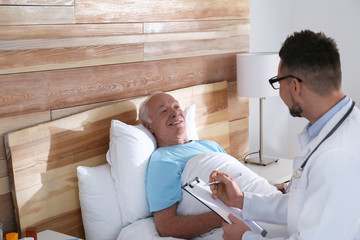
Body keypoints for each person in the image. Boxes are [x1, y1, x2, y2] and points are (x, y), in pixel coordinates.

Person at [209, 30, 360, 240]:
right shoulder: (345, 126)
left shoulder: (336, 156)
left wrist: (244, 238)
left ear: (295, 86)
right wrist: (243, 200)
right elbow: (304, 203)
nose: (279, 92)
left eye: (278, 82)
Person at [139, 92, 279, 239]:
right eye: (164, 111)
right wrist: (228, 213)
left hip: (259, 201)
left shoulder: (211, 145)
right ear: (149, 127)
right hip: (243, 214)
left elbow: (238, 179)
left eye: (176, 106)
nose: (175, 113)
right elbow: (166, 226)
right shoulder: (163, 161)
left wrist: (270, 189)